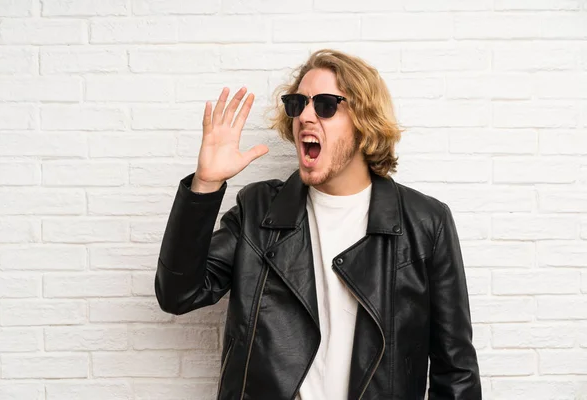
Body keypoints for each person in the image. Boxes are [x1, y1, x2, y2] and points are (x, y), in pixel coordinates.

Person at [155, 49, 482, 400]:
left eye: (326, 105)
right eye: (298, 104)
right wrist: (205, 185)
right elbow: (179, 295)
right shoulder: (258, 210)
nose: (306, 116)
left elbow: (456, 369)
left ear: (364, 120)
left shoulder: (425, 223)